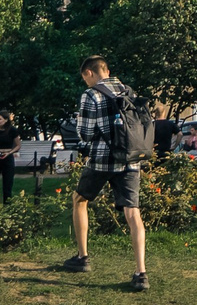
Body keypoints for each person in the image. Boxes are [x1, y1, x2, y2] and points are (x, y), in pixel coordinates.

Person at [62, 54, 151, 292]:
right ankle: (141, 273)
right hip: (132, 160)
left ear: (89, 73)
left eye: (85, 78)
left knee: (79, 199)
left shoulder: (91, 94)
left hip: (102, 159)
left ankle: (83, 257)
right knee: (133, 213)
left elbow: (86, 133)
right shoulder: (127, 90)